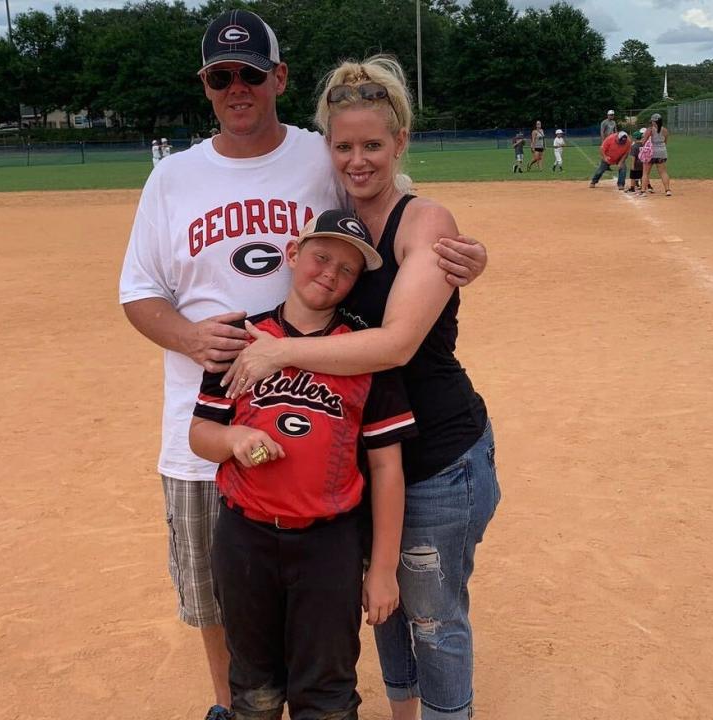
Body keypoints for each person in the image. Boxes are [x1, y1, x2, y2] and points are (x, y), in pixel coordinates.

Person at [118, 11, 487, 720]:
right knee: (220, 594)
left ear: (278, 77)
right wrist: (194, 341)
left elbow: (387, 196)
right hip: (208, 419)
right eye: (221, 76)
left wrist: (467, 255)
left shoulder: (319, 154)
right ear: (205, 85)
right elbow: (138, 292)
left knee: (335, 596)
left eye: (251, 73)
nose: (237, 87)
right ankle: (236, 707)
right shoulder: (171, 177)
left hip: (331, 421)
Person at [220, 54, 501, 720]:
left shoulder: (424, 221)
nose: (358, 159)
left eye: (373, 144)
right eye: (343, 146)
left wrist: (281, 352)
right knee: (385, 610)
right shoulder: (333, 219)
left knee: (433, 620)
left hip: (437, 458)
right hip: (365, 458)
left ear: (400, 142)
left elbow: (398, 343)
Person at [190, 209, 416, 720]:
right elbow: (200, 435)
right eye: (321, 257)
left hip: (328, 545)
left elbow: (386, 469)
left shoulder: (364, 353)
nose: (330, 274)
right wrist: (235, 437)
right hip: (244, 538)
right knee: (255, 690)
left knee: (327, 694)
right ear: (292, 254)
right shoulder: (240, 338)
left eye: (347, 269)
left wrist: (381, 569)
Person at [640, 112, 672, 197]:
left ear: (654, 121)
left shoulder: (650, 129)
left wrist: (641, 141)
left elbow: (644, 142)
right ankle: (667, 190)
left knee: (646, 172)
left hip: (651, 153)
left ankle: (643, 191)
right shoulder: (665, 130)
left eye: (652, 121)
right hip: (662, 152)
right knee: (663, 172)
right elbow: (665, 142)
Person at [626, 128, 652, 193]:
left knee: (633, 176)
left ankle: (632, 187)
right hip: (643, 162)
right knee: (643, 175)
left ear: (635, 138)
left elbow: (633, 157)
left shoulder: (634, 146)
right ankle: (646, 187)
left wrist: (632, 165)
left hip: (636, 163)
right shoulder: (643, 144)